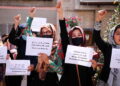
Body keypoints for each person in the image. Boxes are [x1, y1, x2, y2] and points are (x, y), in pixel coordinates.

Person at [56, 1, 97, 86]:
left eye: (79, 35)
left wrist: (93, 67)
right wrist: (60, 14)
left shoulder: (88, 52)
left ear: (83, 37)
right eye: (73, 35)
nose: (76, 37)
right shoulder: (68, 49)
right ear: (70, 38)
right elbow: (63, 34)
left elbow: (90, 73)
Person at [8, 7, 39, 86]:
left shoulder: (36, 41)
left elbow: (37, 57)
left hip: (32, 72)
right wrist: (16, 24)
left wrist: (34, 65)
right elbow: (12, 39)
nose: (24, 32)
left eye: (26, 30)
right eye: (22, 31)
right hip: (20, 70)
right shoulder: (21, 40)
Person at [93, 10, 120, 86]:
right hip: (106, 82)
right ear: (112, 35)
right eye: (118, 33)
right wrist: (98, 20)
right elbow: (97, 38)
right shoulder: (108, 48)